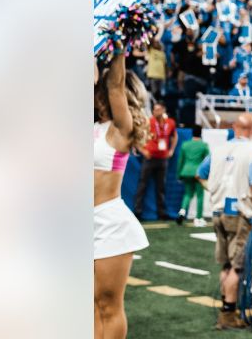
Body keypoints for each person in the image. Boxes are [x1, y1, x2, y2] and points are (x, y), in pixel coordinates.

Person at [94, 54, 152, 339]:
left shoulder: (121, 129)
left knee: (108, 305)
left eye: (103, 92)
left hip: (109, 225)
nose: (100, 97)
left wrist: (118, 46)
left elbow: (116, 85)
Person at [197, 112, 252, 330]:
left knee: (227, 264)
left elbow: (200, 174)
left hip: (218, 211)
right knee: (237, 268)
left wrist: (215, 191)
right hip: (240, 214)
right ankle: (227, 314)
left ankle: (227, 307)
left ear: (235, 127)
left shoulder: (218, 150)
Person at [133, 100, 177, 220]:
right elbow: (135, 136)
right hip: (149, 158)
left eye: (157, 109)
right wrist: (142, 150)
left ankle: (162, 213)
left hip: (163, 159)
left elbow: (174, 136)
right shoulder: (148, 121)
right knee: (142, 185)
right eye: (154, 109)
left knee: (161, 187)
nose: (155, 111)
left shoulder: (170, 122)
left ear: (163, 110)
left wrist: (171, 150)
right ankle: (137, 212)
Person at [175, 125, 210, 227]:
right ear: (201, 133)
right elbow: (207, 161)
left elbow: (180, 160)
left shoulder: (185, 144)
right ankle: (198, 219)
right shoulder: (204, 145)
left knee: (187, 194)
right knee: (200, 195)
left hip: (186, 172)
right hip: (198, 173)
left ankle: (182, 212)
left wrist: (179, 174)